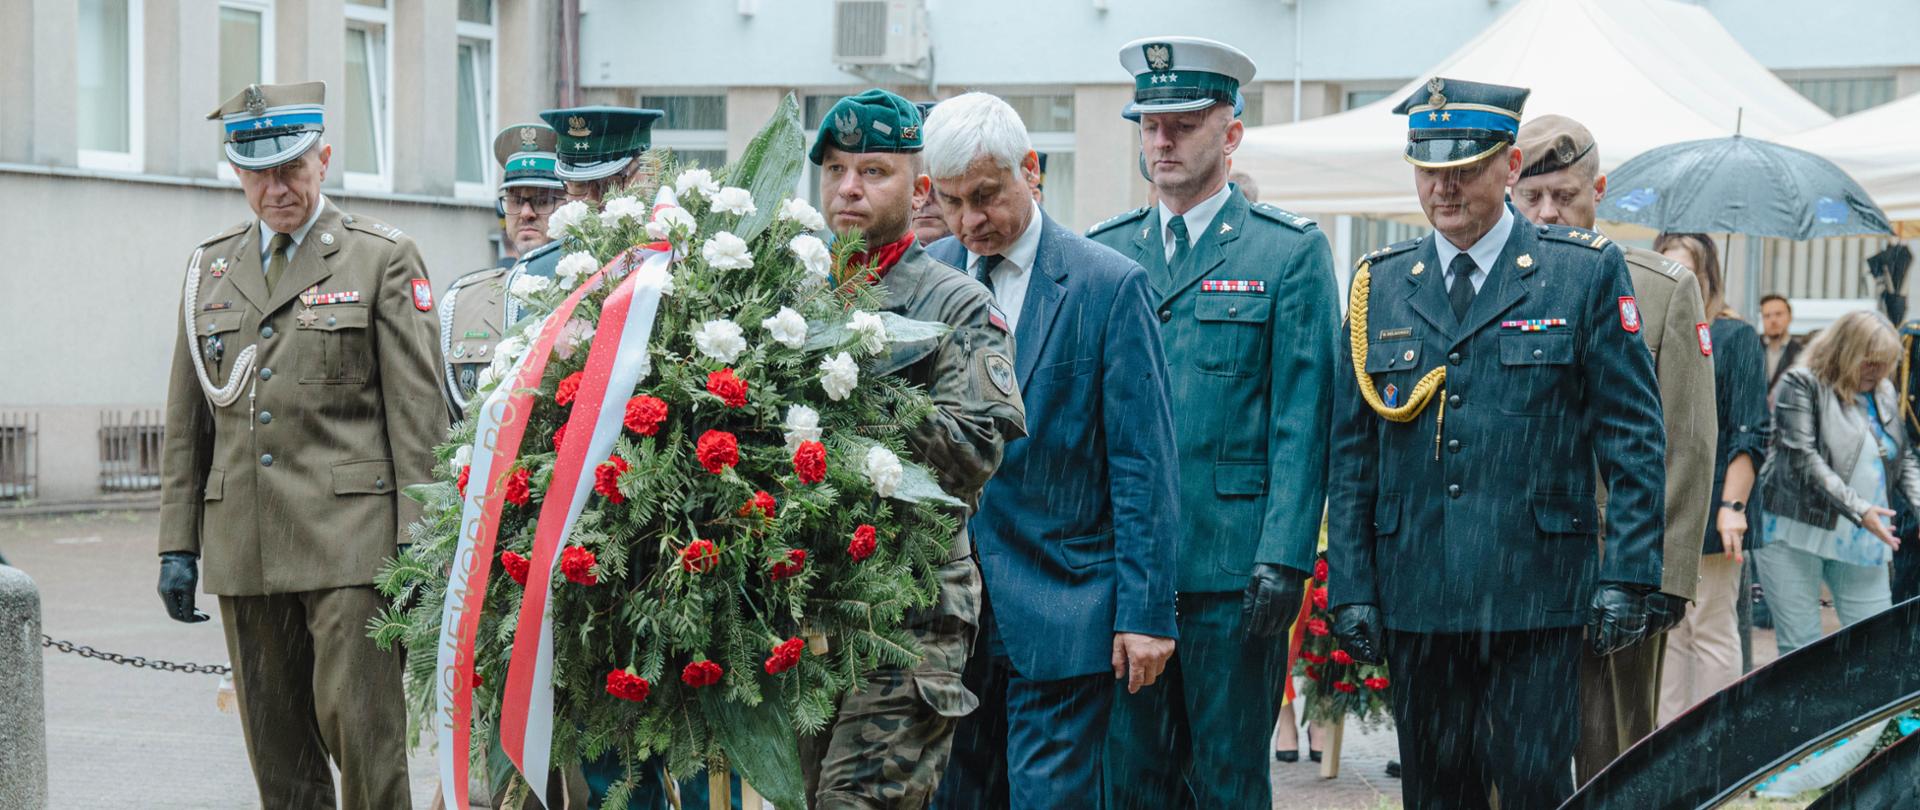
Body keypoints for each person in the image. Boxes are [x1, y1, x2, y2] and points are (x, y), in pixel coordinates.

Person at [1326, 77, 1666, 809]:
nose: (1443, 188)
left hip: (1535, 594)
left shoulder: (1580, 273)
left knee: (1535, 785)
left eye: (1465, 168)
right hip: (1419, 593)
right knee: (1435, 791)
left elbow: (1632, 434)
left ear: (1510, 167)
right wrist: (1352, 585)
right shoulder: (1378, 287)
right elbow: (1354, 455)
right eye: (1428, 170)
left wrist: (1629, 574)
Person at [156, 81, 443, 810]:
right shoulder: (209, 271)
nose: (276, 188)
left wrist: (424, 543)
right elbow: (188, 418)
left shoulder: (381, 259)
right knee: (278, 763)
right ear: (237, 172)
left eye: (292, 168)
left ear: (324, 159)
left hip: (354, 546)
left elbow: (417, 412)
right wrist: (175, 545)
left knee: (368, 753)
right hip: (245, 544)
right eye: (259, 172)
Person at [1084, 37, 1335, 810]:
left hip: (1233, 575)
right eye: (1151, 123)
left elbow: (1304, 416)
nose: (1162, 140)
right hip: (1128, 576)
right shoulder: (1108, 251)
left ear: (1230, 134)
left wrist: (1285, 558)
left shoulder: (1286, 252)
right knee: (1129, 782)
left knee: (1228, 781)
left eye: (1185, 123)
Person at [918, 91, 1179, 810]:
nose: (971, 222)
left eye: (986, 195)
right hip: (945, 619)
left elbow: (1142, 464)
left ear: (1030, 170)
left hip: (1065, 605)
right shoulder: (925, 280)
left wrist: (1147, 612)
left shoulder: (1107, 285)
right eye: (950, 202)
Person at [796, 88, 1028, 809]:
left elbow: (974, 451)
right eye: (835, 170)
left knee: (854, 803)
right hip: (811, 612)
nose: (849, 188)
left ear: (919, 188)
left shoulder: (953, 305)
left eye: (874, 171)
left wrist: (852, 389)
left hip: (911, 614)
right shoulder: (792, 304)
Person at [1511, 115, 1717, 782]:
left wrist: (1663, 575)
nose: (1549, 213)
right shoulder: (1485, 289)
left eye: (1566, 195)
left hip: (1617, 566)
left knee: (1616, 761)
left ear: (1599, 190)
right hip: (1509, 571)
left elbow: (1688, 441)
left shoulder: (1658, 290)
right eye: (1532, 197)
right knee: (1507, 763)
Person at [1652, 233, 1770, 724]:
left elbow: (1749, 430)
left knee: (1712, 627)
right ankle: (1664, 747)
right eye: (1665, 270)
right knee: (1669, 631)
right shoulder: (1652, 333)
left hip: (1715, 504)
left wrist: (1733, 507)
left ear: (1707, 277)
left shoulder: (1733, 336)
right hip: (1661, 502)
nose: (1675, 281)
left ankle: (1715, 745)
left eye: (1685, 271)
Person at [1757, 311, 1911, 653]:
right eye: (1870, 363)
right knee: (1801, 651)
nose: (1878, 373)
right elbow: (1802, 457)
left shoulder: (1882, 390)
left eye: (1884, 364)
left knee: (1877, 646)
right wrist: (1860, 510)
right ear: (1845, 352)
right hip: (1792, 530)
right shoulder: (1800, 382)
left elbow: (1903, 456)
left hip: (1862, 534)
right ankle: (1804, 708)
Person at [438, 123, 567, 418]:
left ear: (568, 201)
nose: (526, 213)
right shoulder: (463, 301)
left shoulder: (590, 289)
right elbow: (443, 415)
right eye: (515, 200)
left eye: (542, 199)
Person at [514, 106, 666, 282]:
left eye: (610, 184)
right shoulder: (537, 275)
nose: (593, 200)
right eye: (579, 185)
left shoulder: (683, 254)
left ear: (649, 173)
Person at [1762, 293, 1803, 393]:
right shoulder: (1751, 350)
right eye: (1767, 316)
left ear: (1790, 317)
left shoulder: (1801, 353)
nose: (1773, 320)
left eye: (1778, 314)